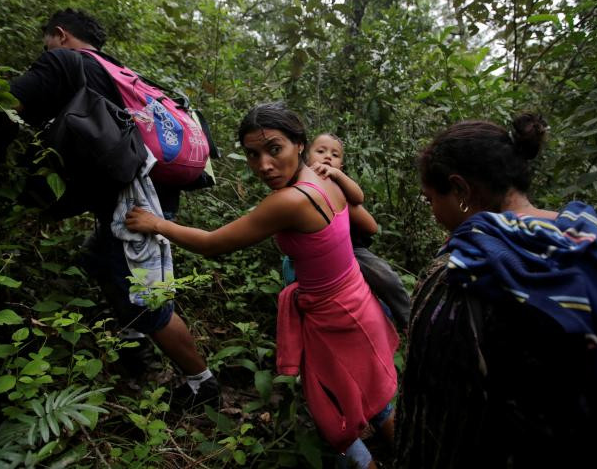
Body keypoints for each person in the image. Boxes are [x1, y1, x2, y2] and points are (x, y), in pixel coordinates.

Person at [125, 102, 399, 469]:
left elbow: (212, 244)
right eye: (253, 154)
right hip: (358, 302)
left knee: (334, 417)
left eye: (274, 149)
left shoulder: (289, 200)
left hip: (333, 318)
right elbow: (366, 222)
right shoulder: (326, 178)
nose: (264, 166)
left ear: (299, 144)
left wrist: (156, 223)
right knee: (374, 396)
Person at [0, 8, 217, 407]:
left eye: (47, 40)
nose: (45, 49)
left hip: (134, 206)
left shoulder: (66, 62)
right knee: (98, 260)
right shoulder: (122, 73)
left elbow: (3, 109)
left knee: (149, 301)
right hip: (155, 196)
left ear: (60, 35)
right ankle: (133, 345)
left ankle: (202, 383)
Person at [395, 115, 597, 468]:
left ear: (461, 190)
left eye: (431, 199)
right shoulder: (589, 240)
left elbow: (433, 421)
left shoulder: (461, 273)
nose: (433, 212)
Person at [284, 133, 410, 330]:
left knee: (386, 278)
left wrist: (337, 176)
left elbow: (359, 198)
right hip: (314, 256)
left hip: (352, 249)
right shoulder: (299, 184)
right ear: (307, 158)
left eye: (335, 155)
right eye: (321, 151)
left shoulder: (338, 184)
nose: (327, 157)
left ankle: (407, 321)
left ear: (341, 165)